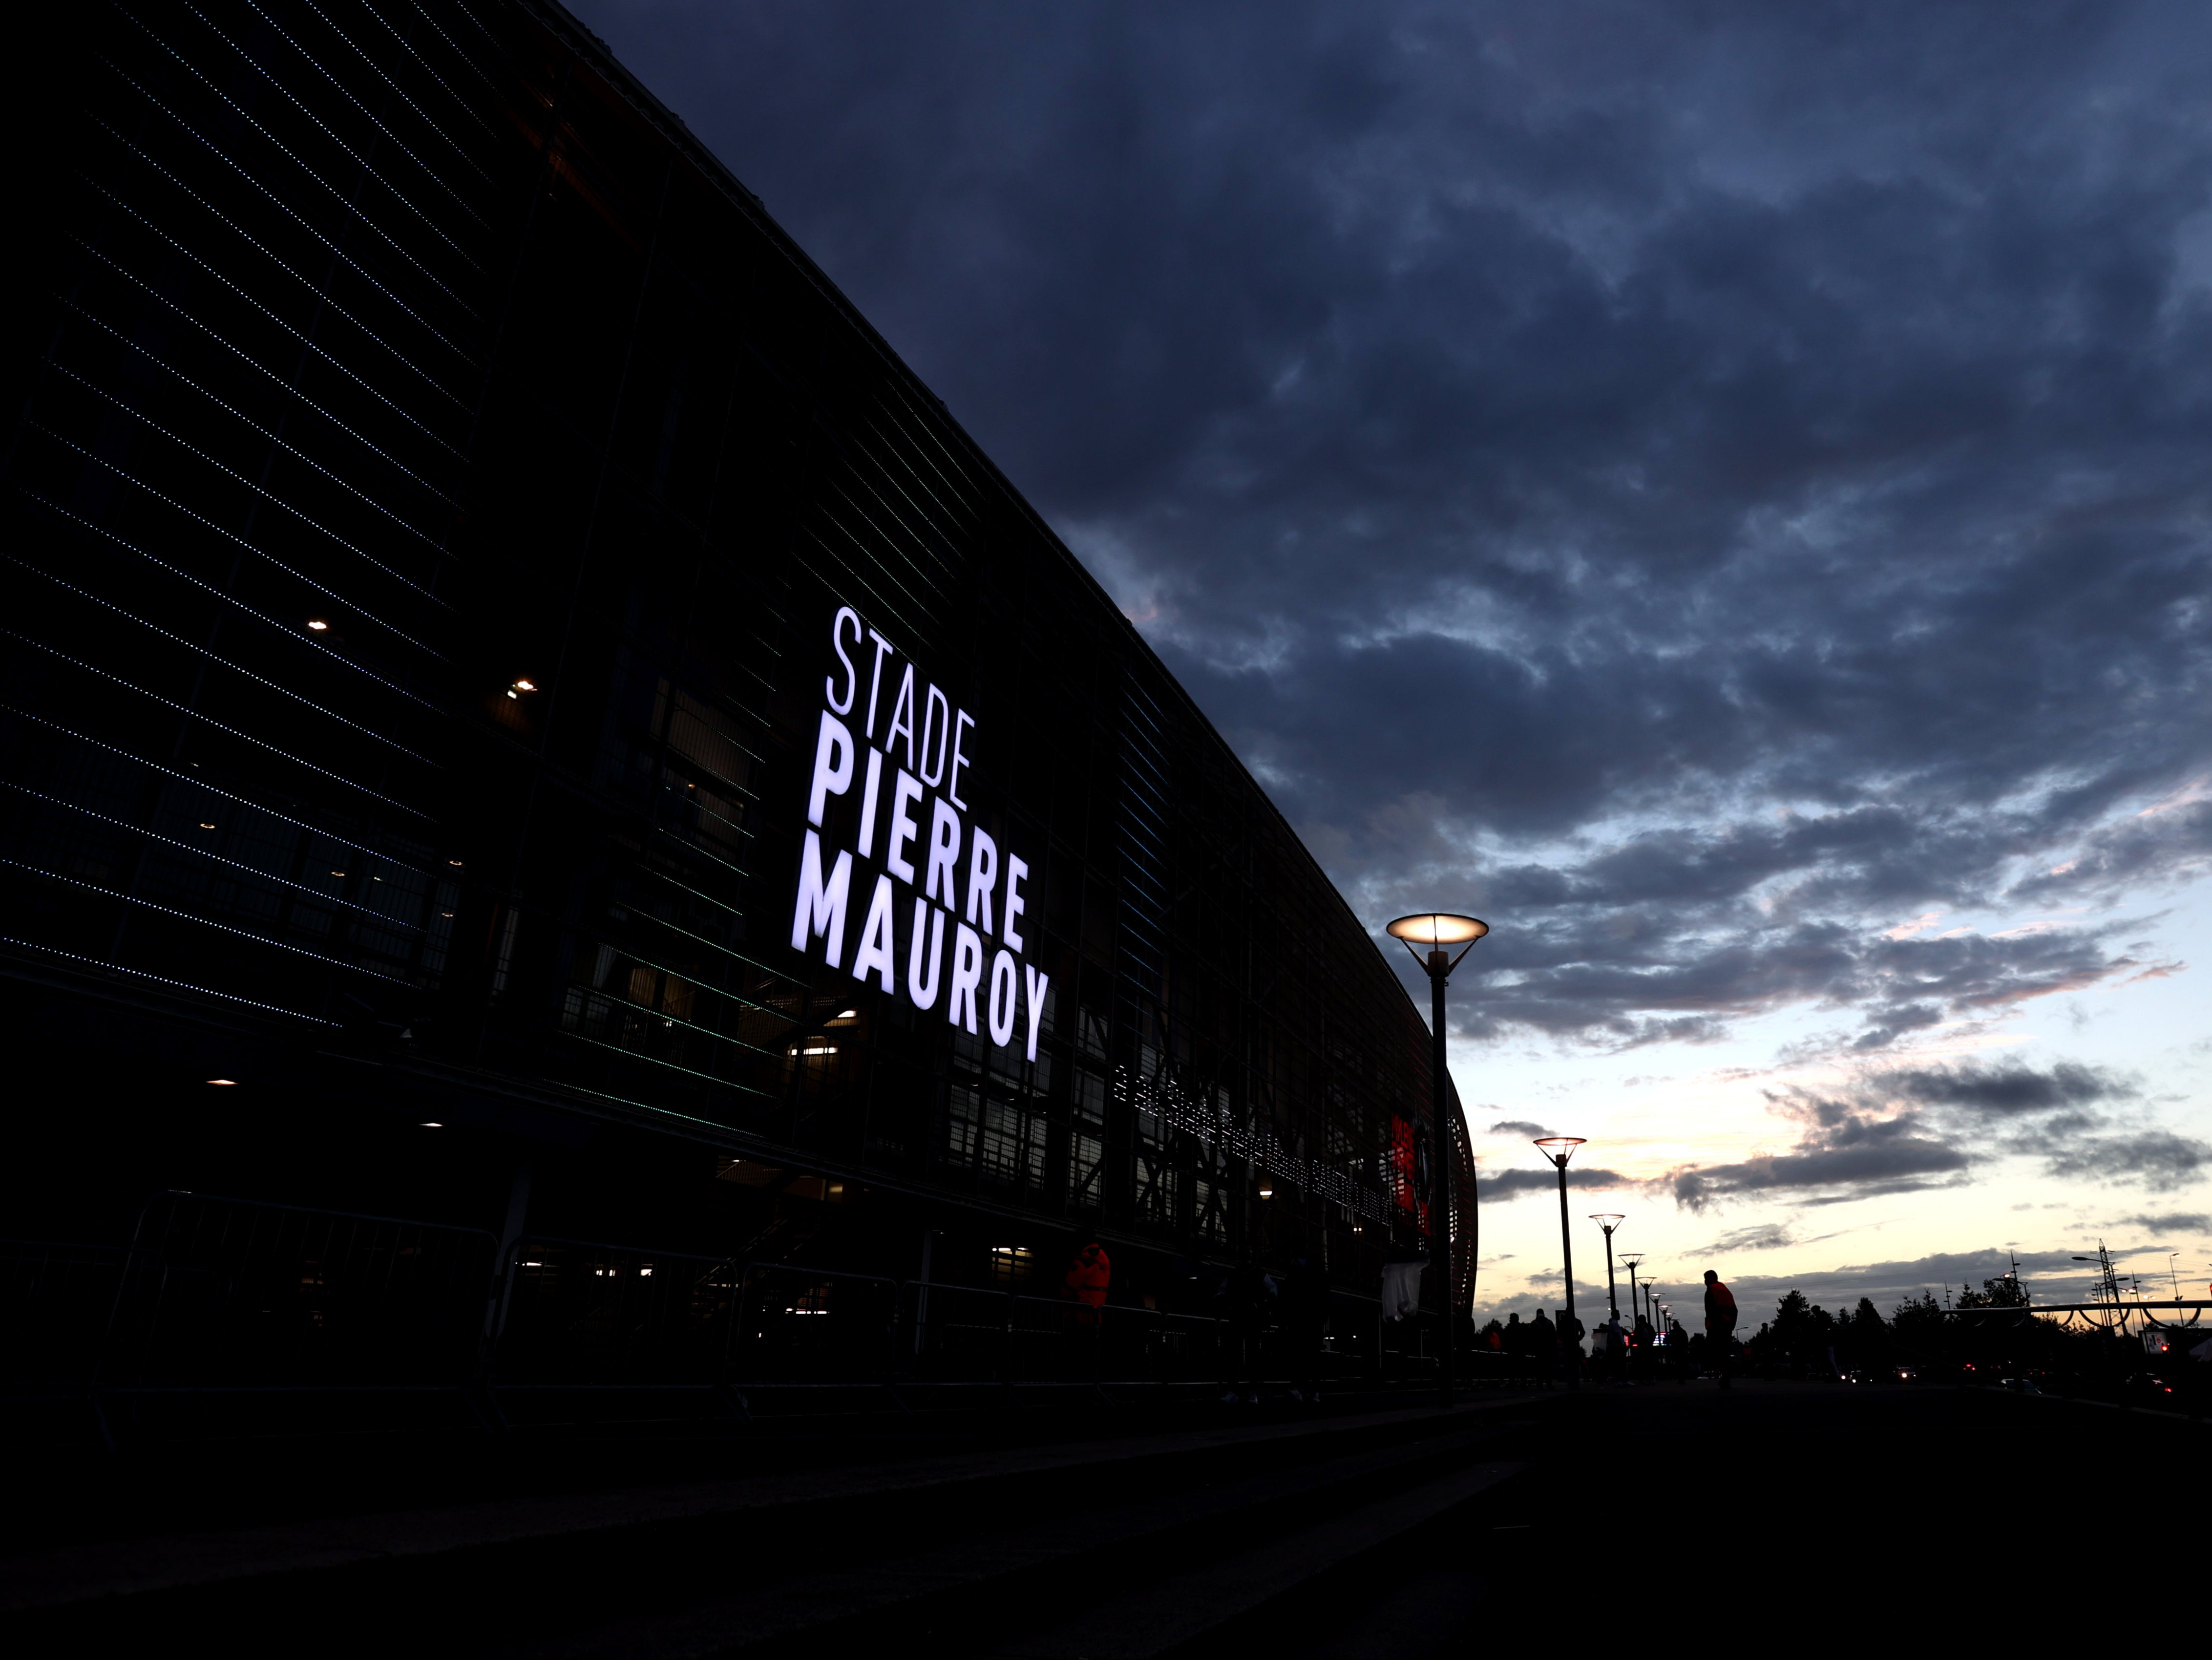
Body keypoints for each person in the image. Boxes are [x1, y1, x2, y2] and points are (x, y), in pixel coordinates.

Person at [1704, 1268, 1738, 1388]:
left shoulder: (1711, 1291)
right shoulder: (1724, 1289)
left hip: (1717, 1326)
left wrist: (1711, 1327)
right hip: (1727, 1324)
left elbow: (1710, 1310)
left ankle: (1725, 1377)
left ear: (1711, 1279)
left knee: (1718, 1352)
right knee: (1725, 1352)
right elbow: (1734, 1309)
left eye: (1706, 1279)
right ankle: (1727, 1376)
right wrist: (1731, 1324)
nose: (1705, 1282)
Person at [1064, 1240, 1110, 1324]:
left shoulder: (1083, 1261)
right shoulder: (1105, 1265)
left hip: (1079, 1314)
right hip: (1096, 1317)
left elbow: (1069, 1289)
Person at [1528, 1307, 1558, 1387]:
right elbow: (1554, 1336)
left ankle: (1540, 1383)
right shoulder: (1550, 1323)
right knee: (1548, 1367)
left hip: (1538, 1349)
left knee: (1539, 1368)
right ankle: (1549, 1384)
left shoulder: (1534, 1323)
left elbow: (1531, 1338)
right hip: (1548, 1349)